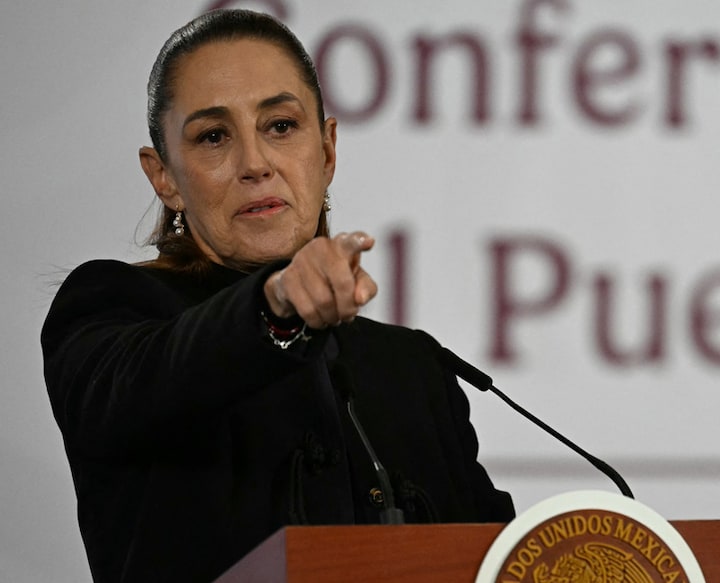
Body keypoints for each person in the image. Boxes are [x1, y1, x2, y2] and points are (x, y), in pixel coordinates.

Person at [40, 9, 513, 582]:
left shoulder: (413, 368)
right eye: (213, 137)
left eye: (281, 126)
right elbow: (152, 378)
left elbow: (502, 563)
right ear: (164, 177)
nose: (255, 164)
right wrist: (275, 302)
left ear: (328, 150)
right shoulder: (112, 307)